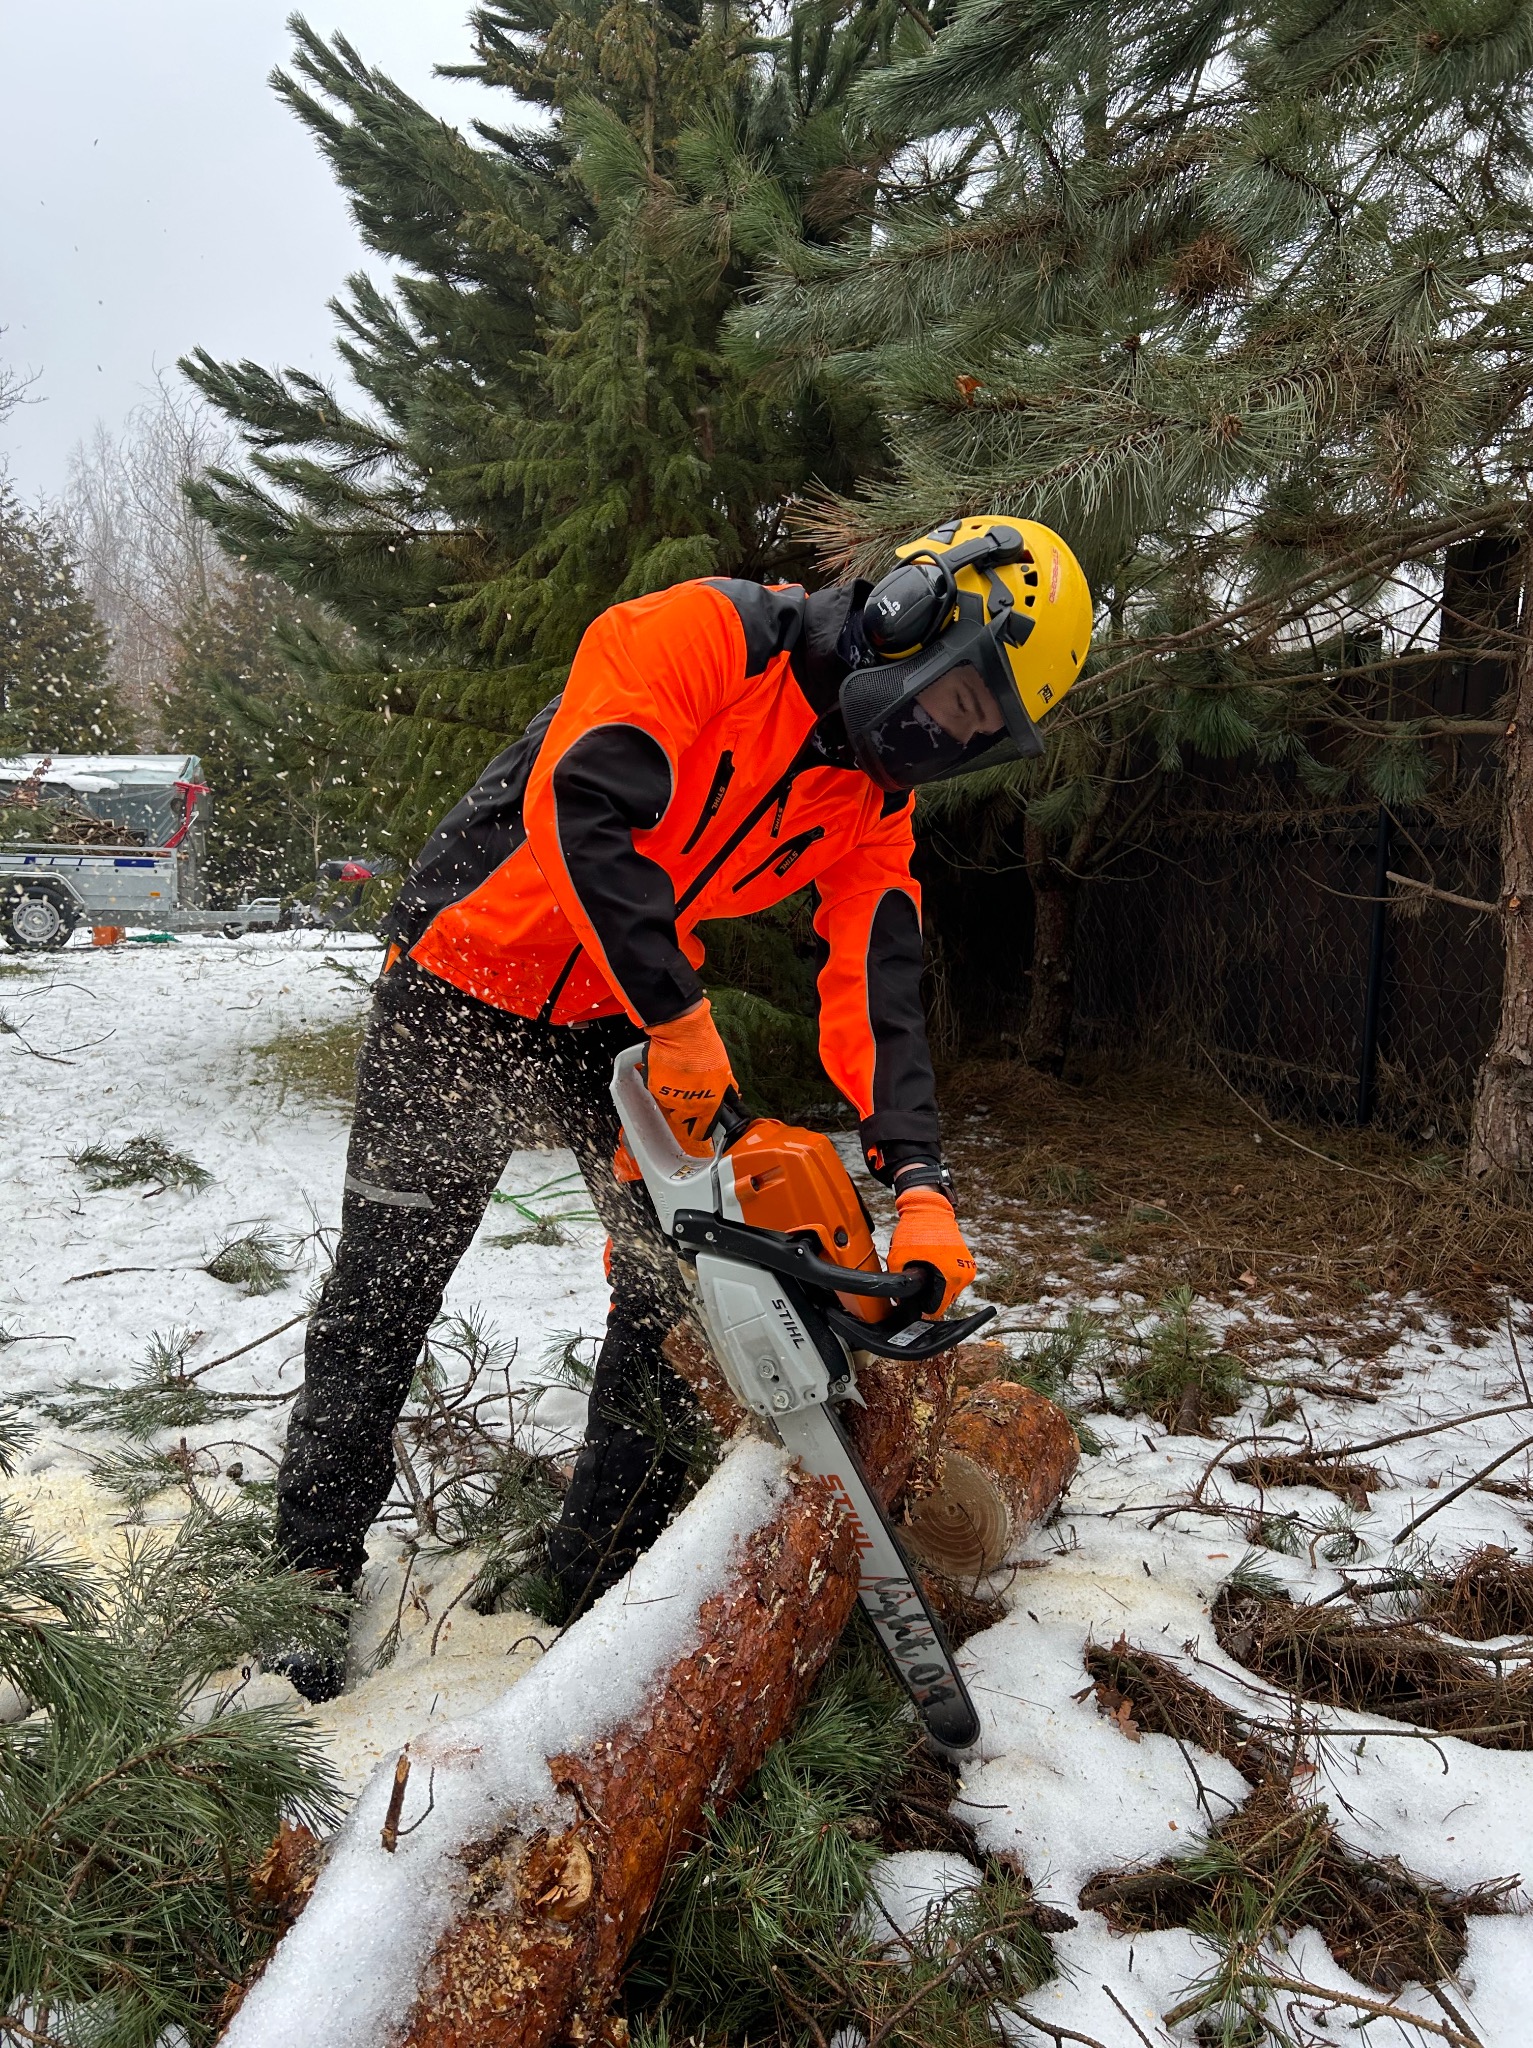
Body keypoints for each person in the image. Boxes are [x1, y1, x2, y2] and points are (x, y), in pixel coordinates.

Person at [269, 515, 1093, 1700]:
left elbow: (880, 984)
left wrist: (919, 1180)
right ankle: (307, 1571)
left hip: (618, 1003)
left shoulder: (870, 801)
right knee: (385, 1282)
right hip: (463, 971)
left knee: (683, 1274)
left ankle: (598, 1569)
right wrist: (678, 1013)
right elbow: (581, 804)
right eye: (956, 699)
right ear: (916, 609)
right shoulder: (709, 634)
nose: (937, 737)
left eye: (972, 735)